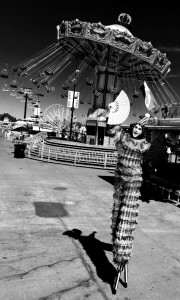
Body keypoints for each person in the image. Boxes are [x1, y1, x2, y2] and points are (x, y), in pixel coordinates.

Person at [108, 120, 151, 288]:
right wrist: (113, 120)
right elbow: (114, 133)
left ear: (142, 131)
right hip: (120, 181)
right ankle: (117, 249)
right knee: (117, 216)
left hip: (133, 182)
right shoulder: (124, 138)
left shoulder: (143, 145)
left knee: (126, 220)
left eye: (139, 128)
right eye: (135, 127)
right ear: (131, 128)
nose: (136, 130)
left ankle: (123, 254)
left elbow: (146, 159)